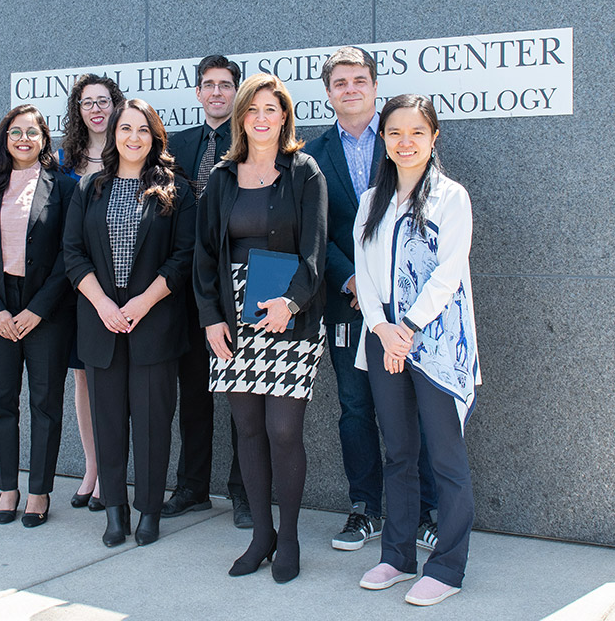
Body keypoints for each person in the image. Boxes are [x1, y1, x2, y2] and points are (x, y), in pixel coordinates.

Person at [194, 73, 327, 584]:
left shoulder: (305, 172)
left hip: (289, 314)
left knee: (282, 430)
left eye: (272, 109)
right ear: (241, 118)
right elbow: (205, 257)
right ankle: (261, 536)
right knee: (247, 429)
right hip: (232, 317)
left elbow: (315, 250)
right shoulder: (223, 179)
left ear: (284, 117)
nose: (262, 118)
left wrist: (290, 303)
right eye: (254, 110)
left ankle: (289, 538)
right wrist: (210, 320)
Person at [305, 46, 439, 553]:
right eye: (340, 82)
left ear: (375, 86)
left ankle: (424, 511)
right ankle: (365, 508)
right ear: (328, 92)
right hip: (348, 302)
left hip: (409, 308)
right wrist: (352, 280)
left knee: (415, 407)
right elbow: (316, 233)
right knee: (355, 406)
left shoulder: (401, 139)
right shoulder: (313, 155)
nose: (351, 89)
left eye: (360, 79)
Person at [352, 94, 479, 606]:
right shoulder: (370, 201)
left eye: (416, 133)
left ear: (433, 139)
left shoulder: (451, 197)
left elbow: (449, 272)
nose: (405, 143)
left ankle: (448, 566)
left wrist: (407, 326)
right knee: (398, 452)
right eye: (395, 134)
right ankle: (398, 556)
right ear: (383, 140)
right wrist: (382, 327)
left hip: (435, 340)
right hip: (384, 338)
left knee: (445, 456)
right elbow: (364, 273)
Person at [63, 98, 196, 548]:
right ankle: (114, 512)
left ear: (154, 136)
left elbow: (183, 258)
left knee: (154, 423)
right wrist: (102, 303)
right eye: (125, 129)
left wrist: (143, 302)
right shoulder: (89, 188)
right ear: (114, 135)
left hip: (154, 325)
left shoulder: (174, 188)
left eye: (142, 130)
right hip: (101, 324)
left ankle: (149, 511)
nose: (133, 137)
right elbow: (73, 253)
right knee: (109, 423)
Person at [0, 104, 76, 528]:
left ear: (45, 139)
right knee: (1, 402)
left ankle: (39, 491)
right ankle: (7, 487)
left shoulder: (63, 187)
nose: (24, 139)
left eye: (32, 132)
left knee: (45, 403)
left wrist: (37, 310)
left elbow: (70, 254)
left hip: (46, 308)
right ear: (4, 138)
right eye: (16, 132)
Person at [163, 54, 250, 528]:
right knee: (193, 392)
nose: (217, 92)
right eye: (209, 85)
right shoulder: (176, 146)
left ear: (236, 92)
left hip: (234, 285)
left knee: (241, 394)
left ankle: (243, 491)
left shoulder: (253, 141)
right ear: (197, 93)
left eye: (225, 84)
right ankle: (193, 487)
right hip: (182, 288)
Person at [59, 74, 126, 512]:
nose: (97, 109)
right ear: (78, 110)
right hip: (79, 288)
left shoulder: (132, 152)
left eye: (104, 101)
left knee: (120, 380)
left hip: (125, 292)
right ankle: (93, 468)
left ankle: (116, 471)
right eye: (88, 103)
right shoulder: (64, 163)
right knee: (83, 377)